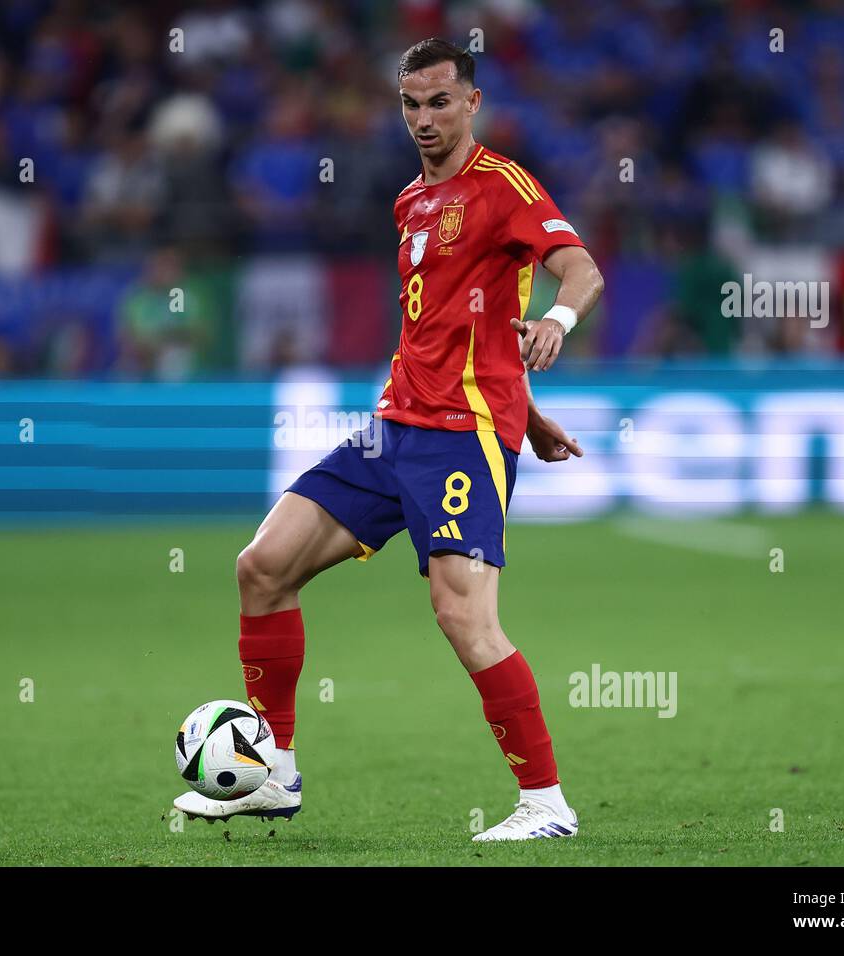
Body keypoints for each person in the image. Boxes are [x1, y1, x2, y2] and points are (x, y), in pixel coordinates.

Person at [174, 38, 604, 842]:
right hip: (392, 427)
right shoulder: (409, 200)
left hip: (461, 436)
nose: (424, 119)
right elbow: (449, 324)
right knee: (262, 568)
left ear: (472, 102)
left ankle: (546, 803)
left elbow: (580, 269)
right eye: (411, 104)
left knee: (461, 615)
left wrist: (556, 320)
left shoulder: (503, 186)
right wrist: (534, 410)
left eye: (440, 101)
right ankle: (276, 773)